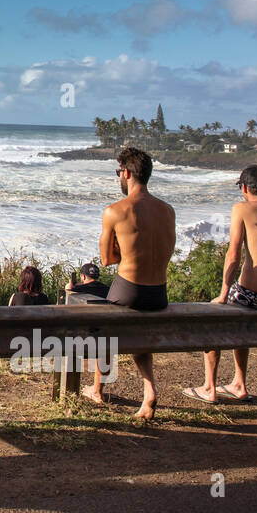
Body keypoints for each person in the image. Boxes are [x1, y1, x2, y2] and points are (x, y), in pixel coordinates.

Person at [183, 165, 257, 404]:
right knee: (239, 318)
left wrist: (222, 293)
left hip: (250, 296)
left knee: (213, 320)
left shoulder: (243, 208)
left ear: (246, 188)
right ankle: (239, 383)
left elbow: (233, 255)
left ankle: (209, 387)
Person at [82, 147, 175, 419]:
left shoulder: (115, 211)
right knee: (141, 336)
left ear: (126, 173)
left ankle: (97, 389)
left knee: (100, 329)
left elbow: (106, 258)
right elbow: (165, 249)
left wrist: (126, 249)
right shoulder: (167, 211)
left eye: (118, 173)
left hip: (129, 288)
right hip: (159, 294)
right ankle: (149, 392)